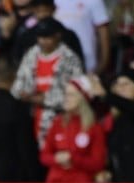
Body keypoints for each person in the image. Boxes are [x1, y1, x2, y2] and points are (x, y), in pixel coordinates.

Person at [11, 17, 83, 145]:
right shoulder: (32, 54)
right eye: (40, 37)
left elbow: (78, 94)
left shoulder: (70, 58)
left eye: (47, 37)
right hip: (31, 118)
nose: (42, 41)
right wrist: (25, 95)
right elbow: (17, 87)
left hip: (59, 120)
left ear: (58, 35)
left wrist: (44, 99)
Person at [89, 68, 134, 183]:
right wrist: (109, 173)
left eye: (126, 84)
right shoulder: (118, 119)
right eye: (118, 84)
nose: (120, 88)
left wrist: (106, 95)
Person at [39, 75, 106, 183]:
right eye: (65, 94)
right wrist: (56, 158)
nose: (66, 98)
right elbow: (44, 156)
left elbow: (98, 163)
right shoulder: (57, 123)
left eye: (71, 95)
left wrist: (73, 159)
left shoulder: (94, 127)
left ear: (83, 98)